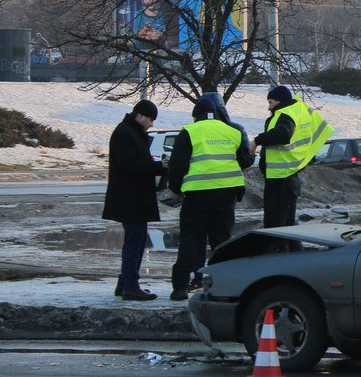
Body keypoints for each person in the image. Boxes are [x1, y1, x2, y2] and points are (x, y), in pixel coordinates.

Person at [166, 95, 254, 301]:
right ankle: (224, 286)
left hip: (197, 195)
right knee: (221, 241)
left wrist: (176, 189)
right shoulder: (233, 132)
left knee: (190, 239)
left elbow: (177, 165)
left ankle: (180, 287)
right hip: (227, 193)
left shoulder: (189, 132)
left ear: (196, 116)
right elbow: (243, 161)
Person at [102, 99, 167, 301]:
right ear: (140, 115)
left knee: (136, 242)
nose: (152, 124)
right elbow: (130, 165)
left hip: (134, 197)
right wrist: (158, 167)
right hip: (130, 198)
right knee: (134, 243)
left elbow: (136, 162)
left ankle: (125, 284)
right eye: (150, 119)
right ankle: (130, 286)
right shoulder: (124, 133)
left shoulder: (132, 132)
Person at [251, 85, 332, 228]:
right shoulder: (296, 111)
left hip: (281, 180)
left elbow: (283, 134)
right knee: (287, 225)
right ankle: (290, 249)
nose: (269, 108)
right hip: (287, 177)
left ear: (279, 101)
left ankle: (281, 250)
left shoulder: (285, 114)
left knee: (277, 226)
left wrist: (257, 141)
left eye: (270, 102)